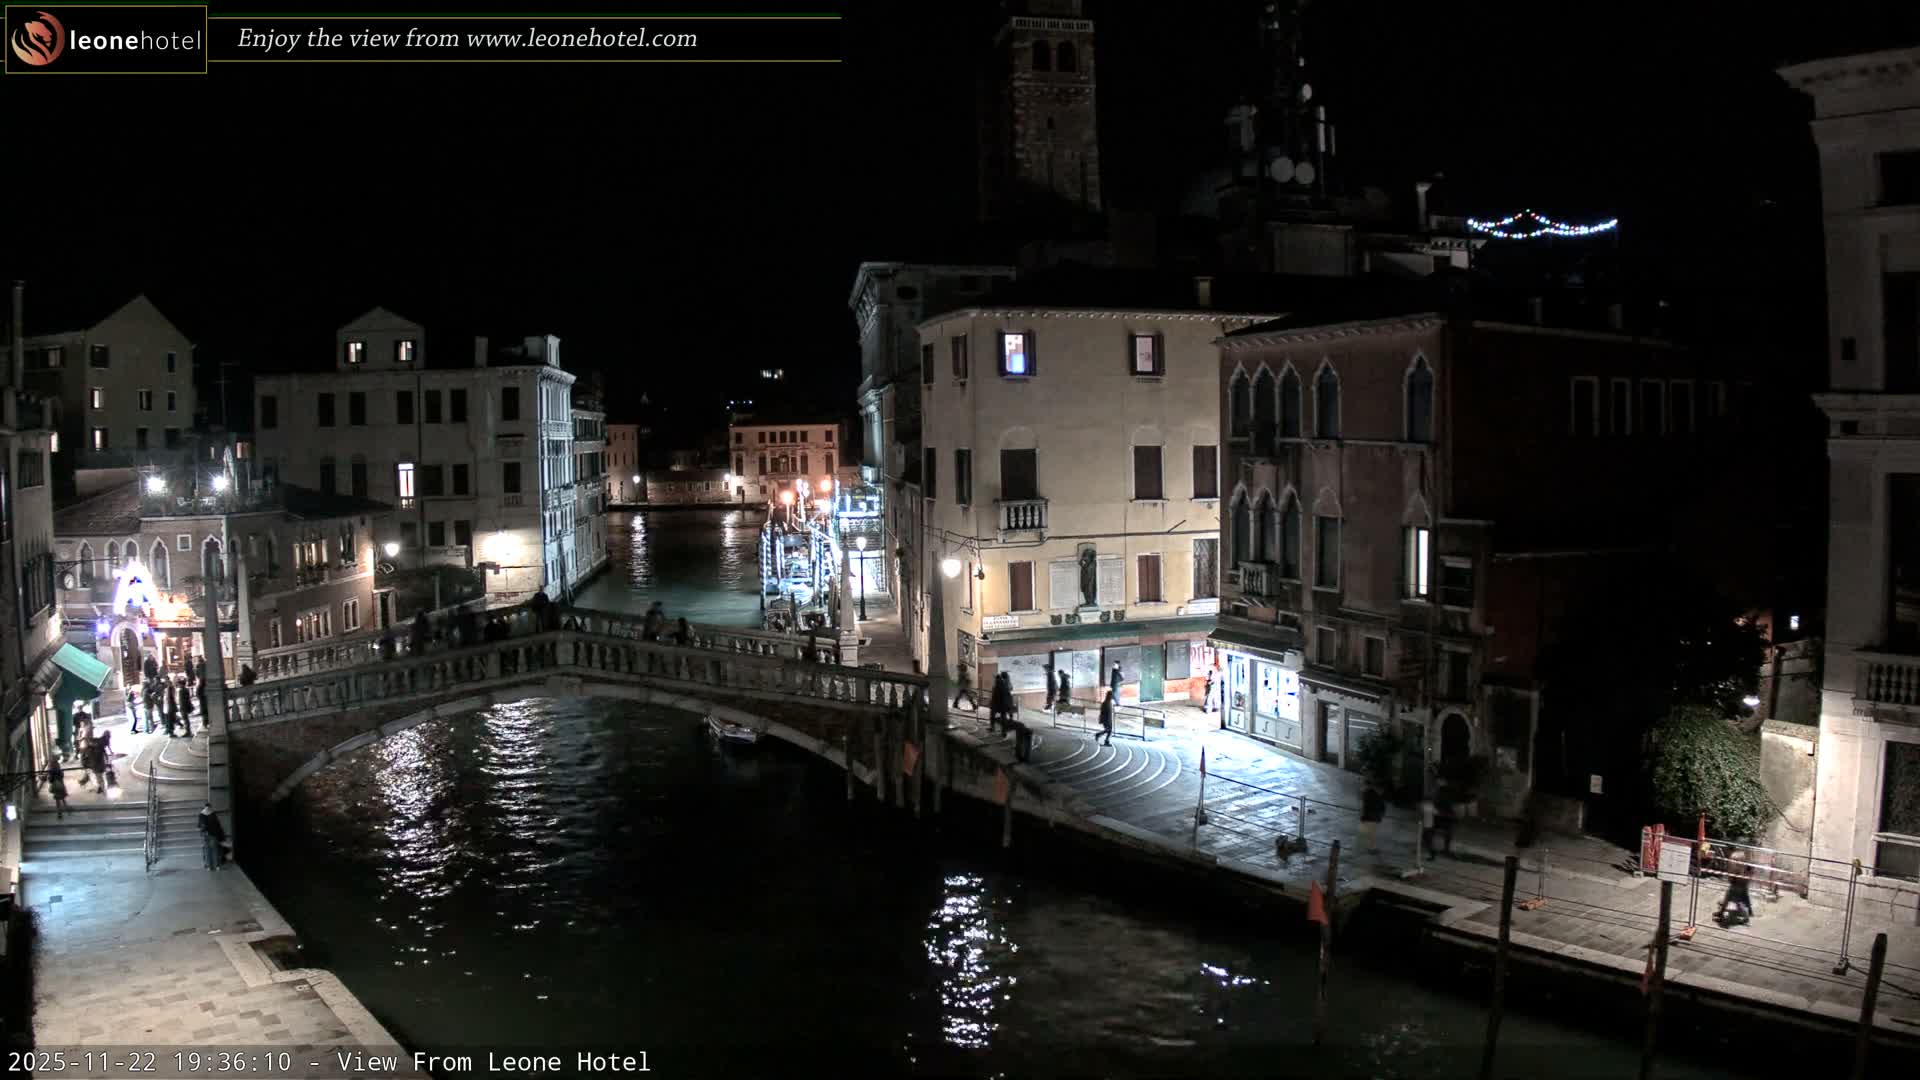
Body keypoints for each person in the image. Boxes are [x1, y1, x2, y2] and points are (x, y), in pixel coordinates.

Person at [198, 803, 226, 871]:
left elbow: (199, 825)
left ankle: (209, 866)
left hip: (206, 835)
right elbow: (217, 825)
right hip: (213, 835)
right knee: (214, 850)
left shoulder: (201, 814)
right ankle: (216, 866)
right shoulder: (212, 814)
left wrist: (202, 831)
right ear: (210, 807)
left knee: (207, 851)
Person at [1360, 783, 1386, 854]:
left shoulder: (1368, 794)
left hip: (1369, 817)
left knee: (1369, 833)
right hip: (1373, 818)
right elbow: (1380, 807)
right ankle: (1371, 848)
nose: (1382, 792)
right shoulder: (1375, 797)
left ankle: (1369, 847)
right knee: (1372, 834)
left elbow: (1364, 806)